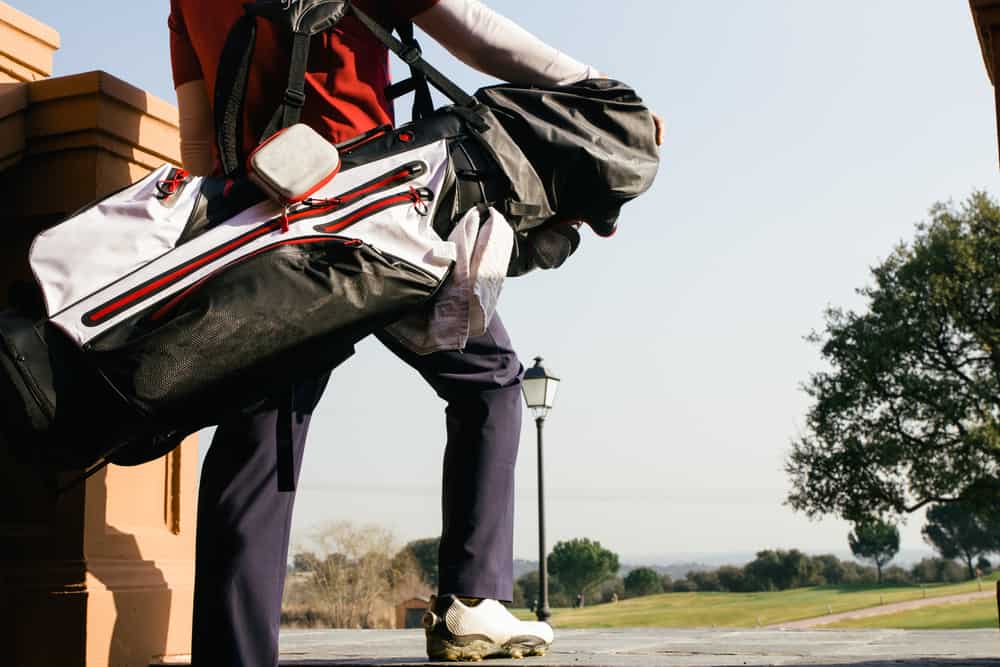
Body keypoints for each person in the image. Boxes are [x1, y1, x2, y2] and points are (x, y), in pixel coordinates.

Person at [168, 1, 663, 664]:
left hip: (263, 228)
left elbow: (199, 144)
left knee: (259, 437)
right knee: (489, 378)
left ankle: (232, 653)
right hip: (369, 207)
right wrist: (595, 88)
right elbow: (471, 32)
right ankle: (471, 599)